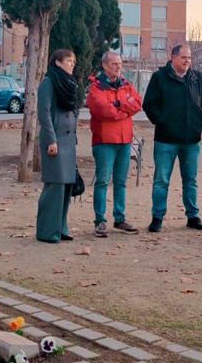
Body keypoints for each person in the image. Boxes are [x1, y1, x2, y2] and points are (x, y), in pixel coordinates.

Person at [142, 44, 202, 233]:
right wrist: (162, 121)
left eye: (189, 58)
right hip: (166, 139)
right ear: (173, 57)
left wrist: (201, 121)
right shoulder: (160, 78)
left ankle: (192, 216)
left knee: (191, 180)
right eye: (183, 57)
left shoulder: (197, 78)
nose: (187, 61)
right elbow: (149, 104)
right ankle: (157, 217)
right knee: (161, 180)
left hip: (191, 140)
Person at [86, 50, 143, 237]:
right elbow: (103, 110)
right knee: (102, 181)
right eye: (114, 64)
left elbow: (137, 103)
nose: (118, 67)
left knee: (121, 181)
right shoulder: (96, 87)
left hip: (124, 140)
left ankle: (120, 218)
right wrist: (124, 108)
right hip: (104, 141)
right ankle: (100, 220)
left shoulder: (125, 84)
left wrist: (119, 107)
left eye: (119, 63)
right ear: (104, 65)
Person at [36, 49, 80, 244]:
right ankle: (47, 230)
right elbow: (44, 112)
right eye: (68, 61)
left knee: (67, 186)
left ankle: (61, 227)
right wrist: (51, 139)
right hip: (55, 140)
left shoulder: (69, 84)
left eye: (73, 61)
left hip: (69, 141)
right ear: (57, 63)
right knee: (55, 185)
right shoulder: (49, 82)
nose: (72, 64)